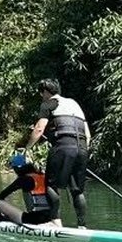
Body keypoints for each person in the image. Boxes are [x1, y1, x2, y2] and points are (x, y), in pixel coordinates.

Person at [28, 78, 89, 228]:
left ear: (45, 92)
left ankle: (55, 222)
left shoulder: (48, 104)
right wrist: (78, 152)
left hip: (63, 146)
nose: (41, 96)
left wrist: (27, 148)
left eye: (41, 93)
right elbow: (87, 134)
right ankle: (82, 225)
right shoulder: (74, 103)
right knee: (77, 190)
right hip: (82, 147)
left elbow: (39, 129)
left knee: (50, 185)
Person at [0, 151, 59, 226]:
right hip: (50, 217)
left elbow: (2, 195)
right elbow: (55, 198)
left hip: (35, 219)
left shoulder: (24, 179)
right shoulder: (43, 176)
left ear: (17, 169)